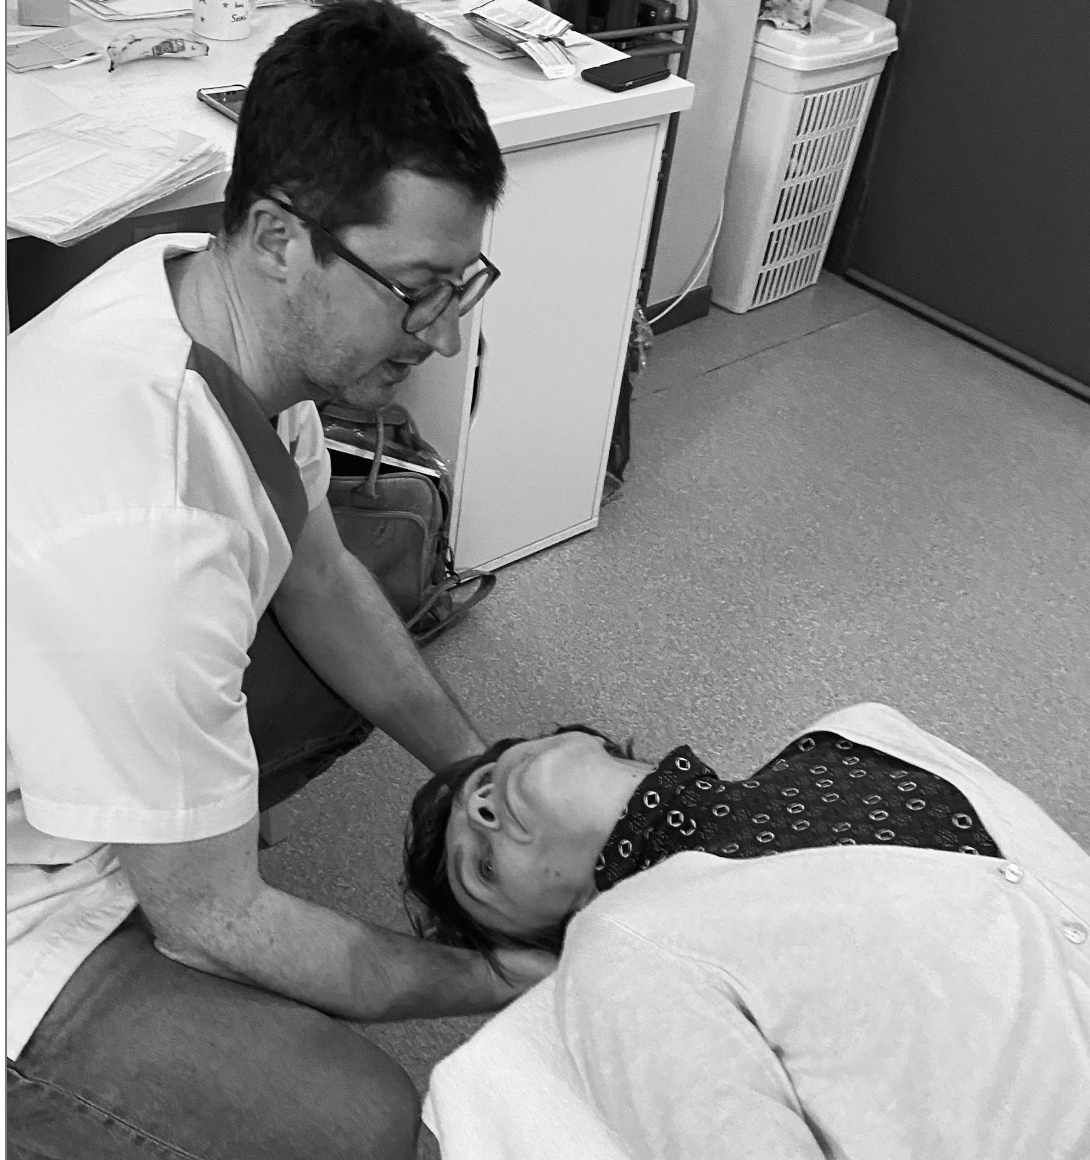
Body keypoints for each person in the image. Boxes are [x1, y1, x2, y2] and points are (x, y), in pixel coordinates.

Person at [6, 4, 555, 1158]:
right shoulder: (141, 528)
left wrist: (479, 769)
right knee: (364, 1122)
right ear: (275, 236)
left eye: (460, 285)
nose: (443, 336)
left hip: (83, 715)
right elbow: (211, 916)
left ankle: (175, 826)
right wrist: (498, 976)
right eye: (415, 289)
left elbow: (318, 576)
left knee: (375, 591)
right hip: (24, 906)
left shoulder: (209, 315)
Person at [404, 702, 1090, 1158]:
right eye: (482, 867)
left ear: (583, 739)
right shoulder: (621, 949)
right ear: (545, 937)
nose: (480, 805)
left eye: (481, 779)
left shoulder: (862, 728)